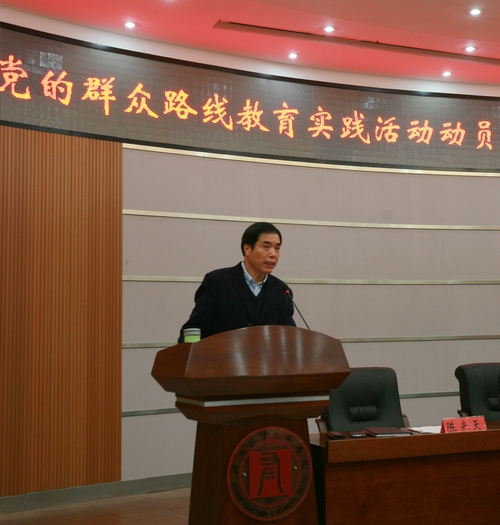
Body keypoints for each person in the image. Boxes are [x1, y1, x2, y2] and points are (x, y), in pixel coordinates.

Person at [178, 222, 296, 341]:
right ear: (247, 248)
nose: (273, 254)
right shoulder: (217, 282)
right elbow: (194, 329)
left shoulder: (282, 291)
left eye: (277, 248)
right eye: (266, 247)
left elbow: (289, 338)